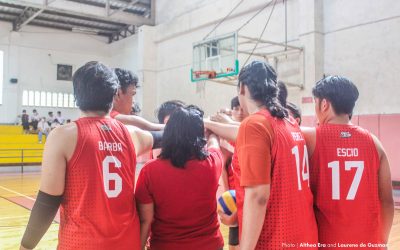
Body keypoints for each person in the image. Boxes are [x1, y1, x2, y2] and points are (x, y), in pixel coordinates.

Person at [20, 61, 158, 250]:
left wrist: (26, 246)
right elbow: (166, 136)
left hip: (81, 243)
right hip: (127, 242)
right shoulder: (132, 135)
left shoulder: (63, 136)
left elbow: (48, 202)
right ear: (114, 94)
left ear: (76, 96)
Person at [302, 76, 394, 248]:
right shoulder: (374, 142)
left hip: (327, 242)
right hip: (367, 242)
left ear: (324, 104)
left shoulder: (310, 137)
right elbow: (387, 201)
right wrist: (382, 241)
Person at [234, 61, 317, 249]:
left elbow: (258, 196)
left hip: (275, 240)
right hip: (305, 235)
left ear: (242, 88)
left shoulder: (254, 124)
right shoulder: (289, 122)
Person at [136, 106, 224, 250]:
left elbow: (145, 220)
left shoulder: (150, 171)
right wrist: (211, 132)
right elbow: (214, 144)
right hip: (210, 245)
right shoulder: (213, 163)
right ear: (200, 135)